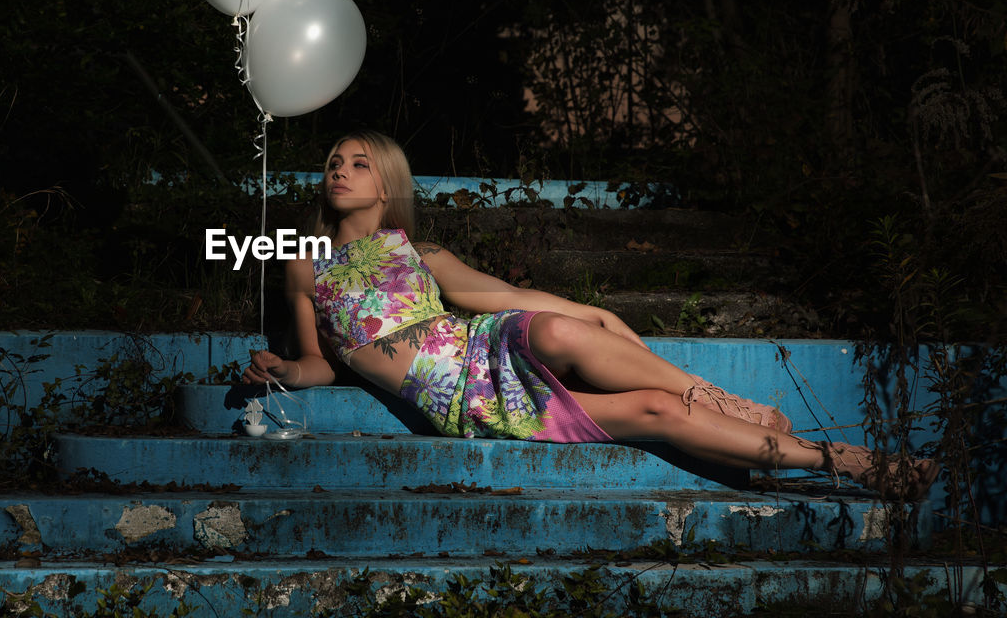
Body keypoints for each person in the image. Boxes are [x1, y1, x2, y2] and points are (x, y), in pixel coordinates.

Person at [242, 130, 940, 500]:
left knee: (559, 327)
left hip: (485, 345)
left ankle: (741, 408)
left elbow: (502, 299)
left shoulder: (419, 250)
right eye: (334, 161)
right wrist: (284, 371)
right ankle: (841, 462)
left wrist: (594, 314)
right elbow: (322, 362)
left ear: (386, 182)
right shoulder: (302, 264)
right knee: (655, 414)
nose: (339, 169)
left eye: (359, 162)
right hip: (470, 400)